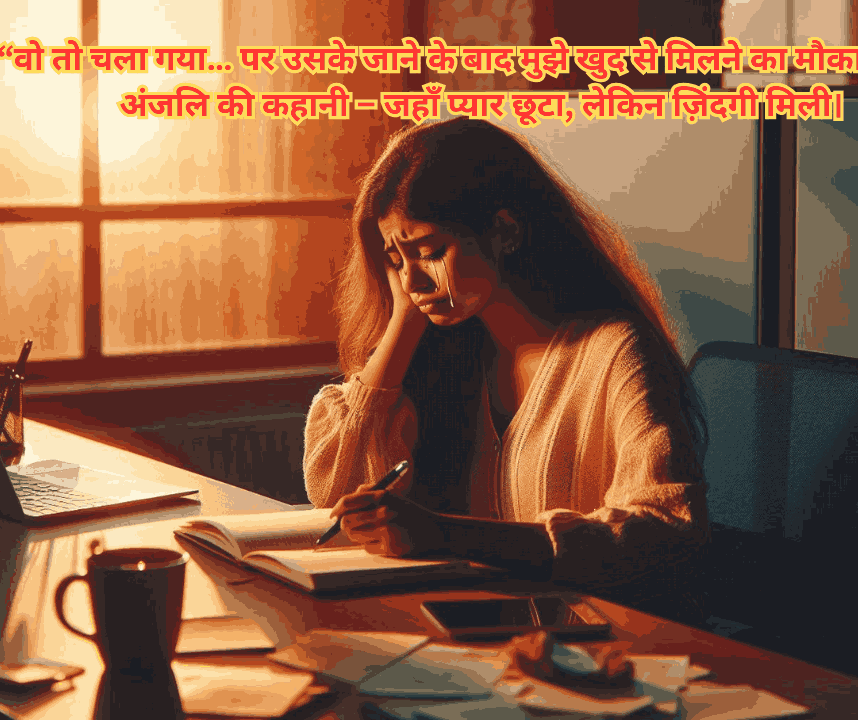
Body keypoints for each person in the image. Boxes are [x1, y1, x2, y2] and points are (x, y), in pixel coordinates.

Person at [303, 118, 709, 623]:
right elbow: (335, 492)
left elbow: (667, 530)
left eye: (430, 252)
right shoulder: (449, 353)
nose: (412, 282)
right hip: (476, 641)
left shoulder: (615, 350)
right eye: (396, 260)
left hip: (607, 649)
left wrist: (448, 534)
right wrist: (403, 324)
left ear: (505, 231)